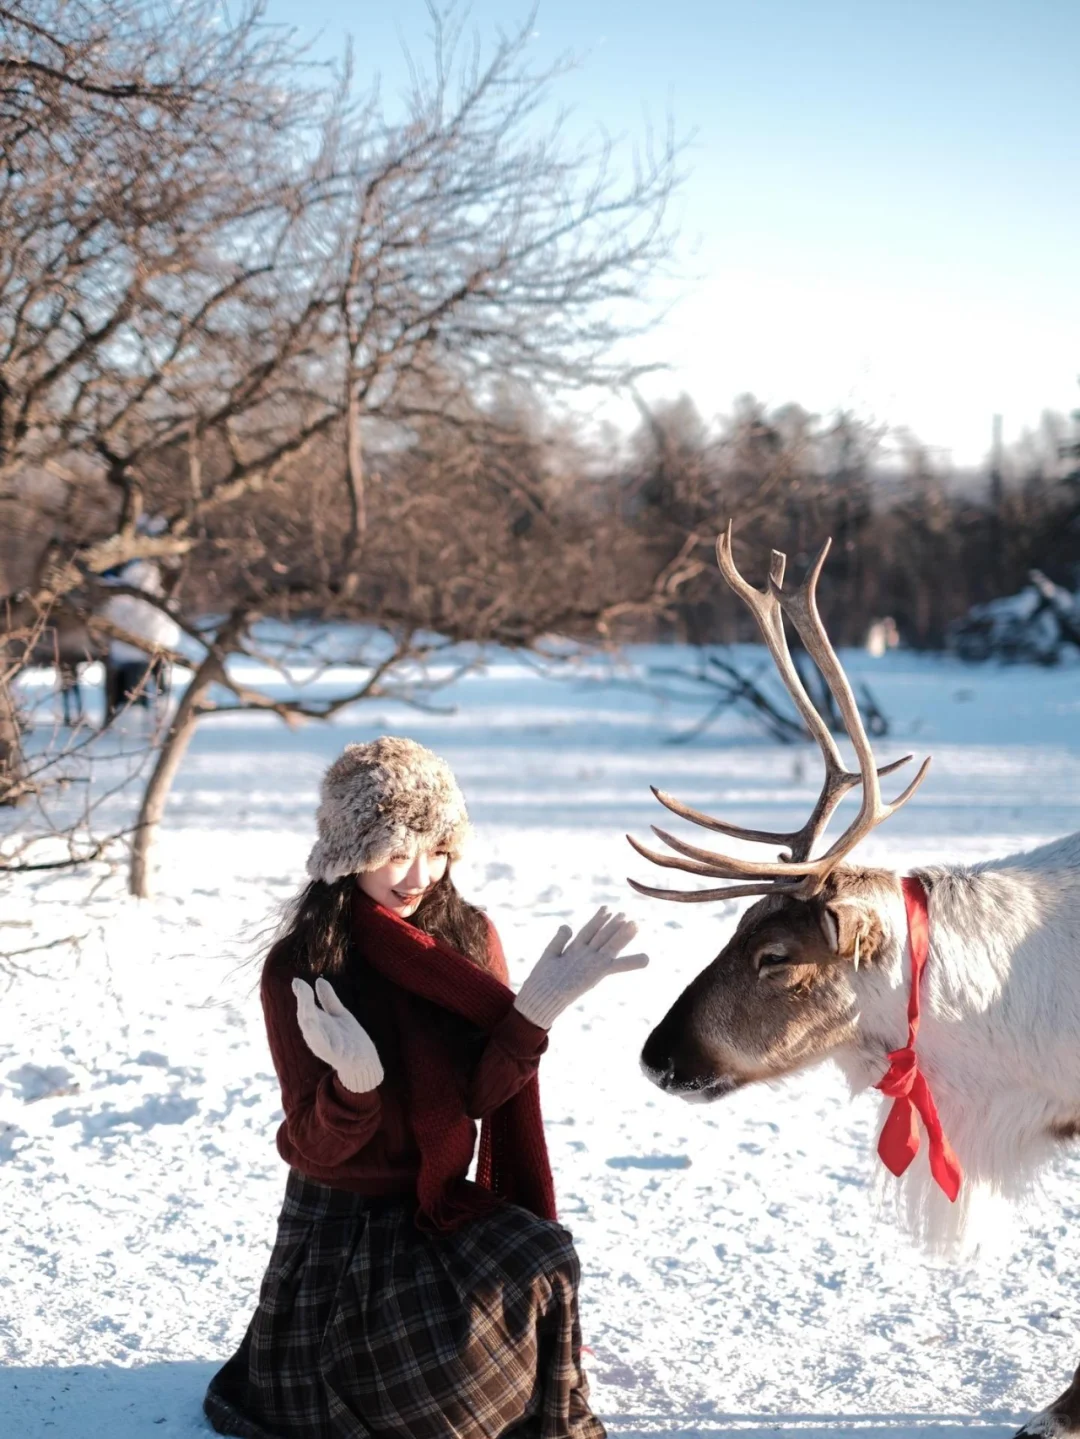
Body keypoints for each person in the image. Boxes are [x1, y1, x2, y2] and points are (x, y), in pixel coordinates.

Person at [205, 735, 649, 1439]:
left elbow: (479, 1098)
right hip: (336, 1234)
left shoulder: (469, 937)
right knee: (442, 1398)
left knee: (543, 1257)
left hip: (436, 1208)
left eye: (437, 849)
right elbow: (308, 1145)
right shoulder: (305, 963)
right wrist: (354, 1088)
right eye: (396, 851)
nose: (419, 874)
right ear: (350, 850)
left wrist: (528, 1019)